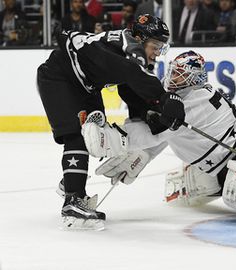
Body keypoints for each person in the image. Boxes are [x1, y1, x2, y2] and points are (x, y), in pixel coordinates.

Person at [82, 50, 236, 230]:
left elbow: (154, 133)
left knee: (235, 189)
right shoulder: (178, 97)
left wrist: (112, 138)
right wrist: (143, 155)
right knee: (193, 183)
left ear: (194, 78)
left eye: (180, 74)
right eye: (173, 71)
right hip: (230, 155)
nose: (172, 77)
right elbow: (164, 135)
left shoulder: (192, 101)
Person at [36, 14, 185, 230]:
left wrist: (147, 113)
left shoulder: (123, 48)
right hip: (58, 78)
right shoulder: (130, 47)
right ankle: (72, 200)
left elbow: (128, 87)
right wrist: (164, 98)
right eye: (155, 46)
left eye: (162, 48)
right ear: (139, 37)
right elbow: (134, 74)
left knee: (97, 135)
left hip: (84, 86)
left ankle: (71, 182)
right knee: (78, 135)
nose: (157, 53)